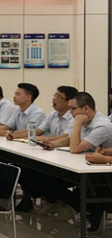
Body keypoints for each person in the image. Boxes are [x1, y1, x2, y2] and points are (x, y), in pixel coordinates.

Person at [41, 92, 112, 228]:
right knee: (46, 175)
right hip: (88, 164)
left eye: (73, 108)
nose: (71, 112)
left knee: (54, 179)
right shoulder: (84, 120)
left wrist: (77, 124)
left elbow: (75, 148)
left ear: (85, 108)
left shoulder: (101, 125)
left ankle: (91, 209)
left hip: (101, 171)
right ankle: (82, 208)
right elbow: (70, 140)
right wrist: (52, 144)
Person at [11, 86, 77, 213]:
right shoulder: (53, 115)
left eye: (58, 97)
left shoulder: (73, 117)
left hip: (68, 159)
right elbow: (37, 131)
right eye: (54, 95)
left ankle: (60, 202)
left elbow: (65, 138)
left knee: (41, 175)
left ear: (69, 102)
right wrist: (15, 135)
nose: (54, 99)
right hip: (53, 155)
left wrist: (42, 138)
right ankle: (50, 200)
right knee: (25, 169)